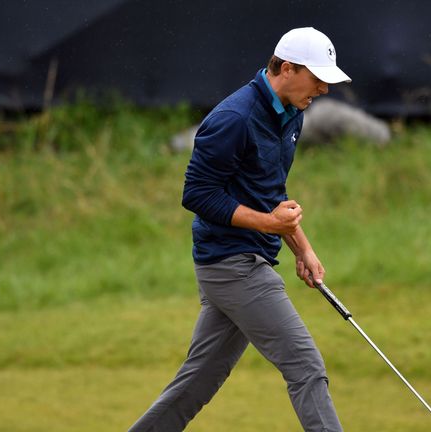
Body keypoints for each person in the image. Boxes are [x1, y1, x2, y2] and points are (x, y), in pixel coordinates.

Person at [128, 27, 351, 432]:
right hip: (232, 265)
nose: (323, 88)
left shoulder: (290, 115)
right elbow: (197, 194)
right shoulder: (234, 118)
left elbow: (268, 191)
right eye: (317, 78)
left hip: (245, 260)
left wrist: (303, 247)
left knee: (196, 383)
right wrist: (270, 224)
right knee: (306, 366)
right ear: (286, 68)